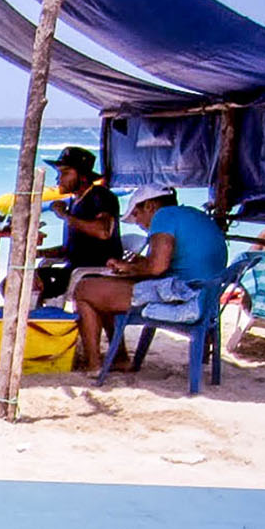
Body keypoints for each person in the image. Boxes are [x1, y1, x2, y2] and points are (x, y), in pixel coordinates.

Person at [72, 184, 227, 373]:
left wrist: (128, 267)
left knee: (85, 289)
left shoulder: (163, 216)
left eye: (136, 214)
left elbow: (157, 267)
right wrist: (138, 265)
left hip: (184, 295)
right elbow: (173, 262)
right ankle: (119, 358)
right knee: (104, 290)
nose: (137, 222)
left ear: (150, 206)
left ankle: (94, 365)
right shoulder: (190, 214)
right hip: (204, 295)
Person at [34, 145, 120, 302]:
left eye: (65, 173)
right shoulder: (75, 202)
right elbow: (71, 249)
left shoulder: (100, 196)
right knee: (16, 281)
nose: (59, 179)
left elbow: (103, 231)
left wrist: (64, 215)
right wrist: (39, 253)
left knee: (24, 285)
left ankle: (44, 323)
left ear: (83, 176)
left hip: (91, 274)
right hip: (73, 270)